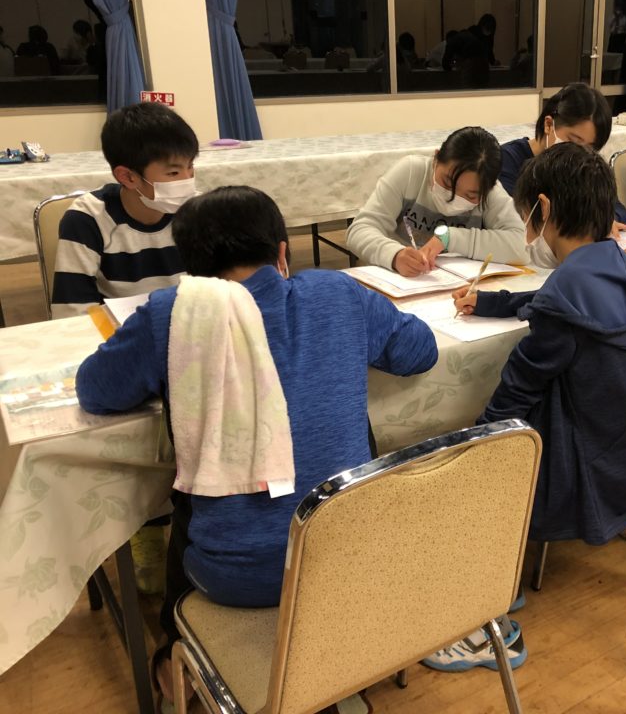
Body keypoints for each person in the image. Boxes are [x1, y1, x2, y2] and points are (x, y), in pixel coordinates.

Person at [76, 185, 438, 703]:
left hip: (233, 581)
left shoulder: (172, 314)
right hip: (350, 560)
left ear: (192, 269)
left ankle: (175, 664)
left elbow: (96, 390)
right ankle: (339, 662)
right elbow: (420, 351)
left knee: (188, 501)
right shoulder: (338, 293)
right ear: (282, 252)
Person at [431, 143, 626, 671]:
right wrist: (494, 302)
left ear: (543, 208)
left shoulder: (565, 296)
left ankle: (483, 620)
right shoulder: (618, 262)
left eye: (527, 218)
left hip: (595, 469)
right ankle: (502, 578)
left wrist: (474, 450)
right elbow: (557, 303)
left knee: (476, 465)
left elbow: (516, 391)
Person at [50, 102, 198, 318]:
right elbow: (72, 311)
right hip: (119, 329)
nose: (188, 181)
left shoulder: (199, 211)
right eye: (173, 173)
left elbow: (223, 289)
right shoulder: (88, 219)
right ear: (127, 177)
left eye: (191, 167)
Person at [347, 126, 526, 275]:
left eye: (470, 196)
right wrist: (394, 255)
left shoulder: (491, 193)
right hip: (399, 282)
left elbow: (522, 247)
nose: (452, 198)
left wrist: (450, 238)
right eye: (447, 182)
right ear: (436, 159)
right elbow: (359, 230)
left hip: (457, 289)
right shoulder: (411, 172)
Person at [497, 83, 626, 224]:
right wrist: (589, 222)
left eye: (590, 148)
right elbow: (520, 216)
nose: (580, 153)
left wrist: (607, 221)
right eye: (574, 141)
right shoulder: (506, 160)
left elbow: (618, 209)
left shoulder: (584, 167)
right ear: (548, 125)